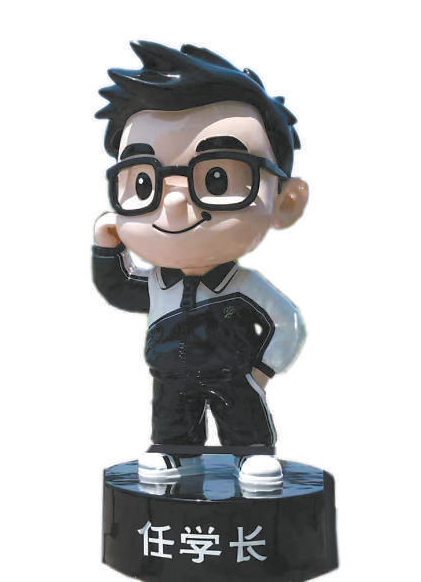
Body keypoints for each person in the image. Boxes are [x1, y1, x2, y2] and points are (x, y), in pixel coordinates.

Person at [93, 41, 308, 491]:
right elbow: (119, 288)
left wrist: (263, 368)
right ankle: (173, 449)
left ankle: (250, 451)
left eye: (216, 177)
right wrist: (106, 249)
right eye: (144, 182)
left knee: (242, 415)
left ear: (286, 202)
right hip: (169, 373)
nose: (173, 204)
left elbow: (287, 323)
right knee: (172, 416)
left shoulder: (244, 286)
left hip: (233, 373)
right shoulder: (157, 284)